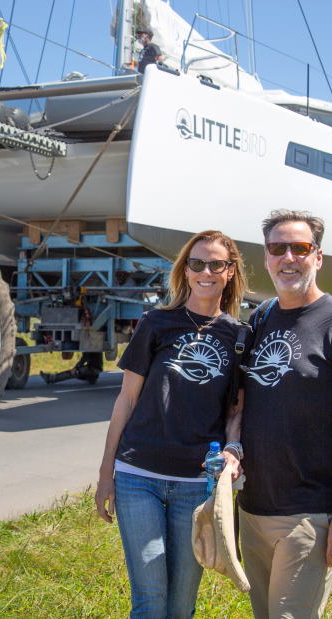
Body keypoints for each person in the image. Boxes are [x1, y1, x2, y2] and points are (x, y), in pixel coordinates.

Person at [238, 210, 332, 619]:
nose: (289, 257)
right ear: (266, 258)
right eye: (277, 248)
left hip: (309, 514)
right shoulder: (261, 318)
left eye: (300, 248)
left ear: (317, 257)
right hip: (253, 511)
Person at [96, 230, 249, 618]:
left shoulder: (238, 337)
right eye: (197, 264)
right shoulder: (156, 323)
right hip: (137, 476)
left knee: (181, 605)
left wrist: (232, 452)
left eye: (216, 264)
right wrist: (105, 474)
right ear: (185, 270)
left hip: (196, 484)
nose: (206, 272)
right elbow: (126, 400)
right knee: (149, 600)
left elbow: (235, 412)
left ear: (230, 272)